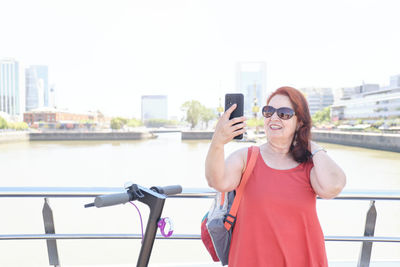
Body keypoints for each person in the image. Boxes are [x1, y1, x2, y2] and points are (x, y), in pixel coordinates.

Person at [205, 86, 346, 267]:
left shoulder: (309, 165)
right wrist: (217, 141)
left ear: (300, 121)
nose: (274, 117)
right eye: (269, 111)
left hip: (303, 260)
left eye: (284, 114)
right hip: (251, 260)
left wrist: (310, 145)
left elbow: (333, 187)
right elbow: (216, 180)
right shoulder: (246, 157)